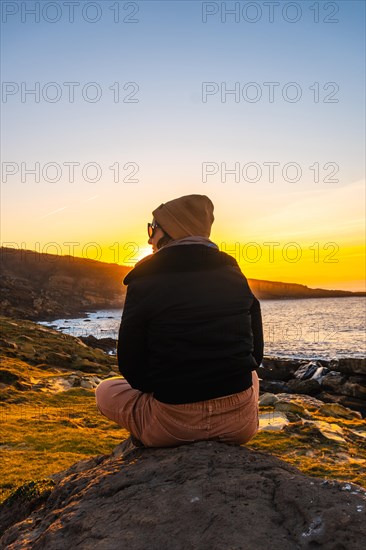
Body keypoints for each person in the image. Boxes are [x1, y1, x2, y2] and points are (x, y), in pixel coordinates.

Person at [96, 194, 264, 447]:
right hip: (240, 425)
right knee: (250, 374)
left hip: (174, 426)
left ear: (173, 229)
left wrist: (167, 387)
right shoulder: (232, 270)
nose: (149, 238)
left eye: (152, 229)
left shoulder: (144, 279)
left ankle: (152, 432)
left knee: (104, 391)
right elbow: (256, 353)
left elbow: (131, 367)